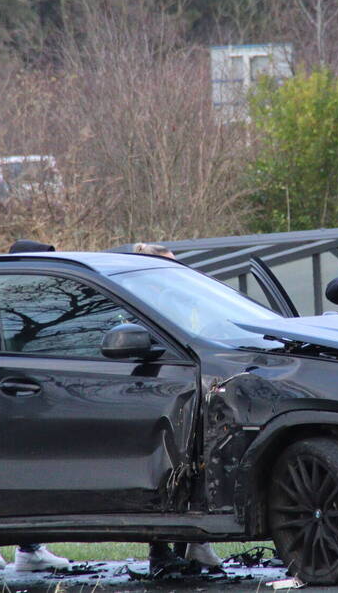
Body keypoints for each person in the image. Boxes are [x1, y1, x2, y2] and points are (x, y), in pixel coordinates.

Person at [0, 239, 71, 573]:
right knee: (1, 470)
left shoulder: (37, 302)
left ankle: (29, 548)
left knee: (31, 473)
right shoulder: (3, 300)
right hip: (8, 397)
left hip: (32, 397)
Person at [132, 242, 223, 575]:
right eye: (168, 265)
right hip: (152, 395)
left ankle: (193, 544)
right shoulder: (137, 303)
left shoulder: (179, 300)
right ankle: (160, 552)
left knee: (191, 467)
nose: (177, 271)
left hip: (184, 393)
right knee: (161, 470)